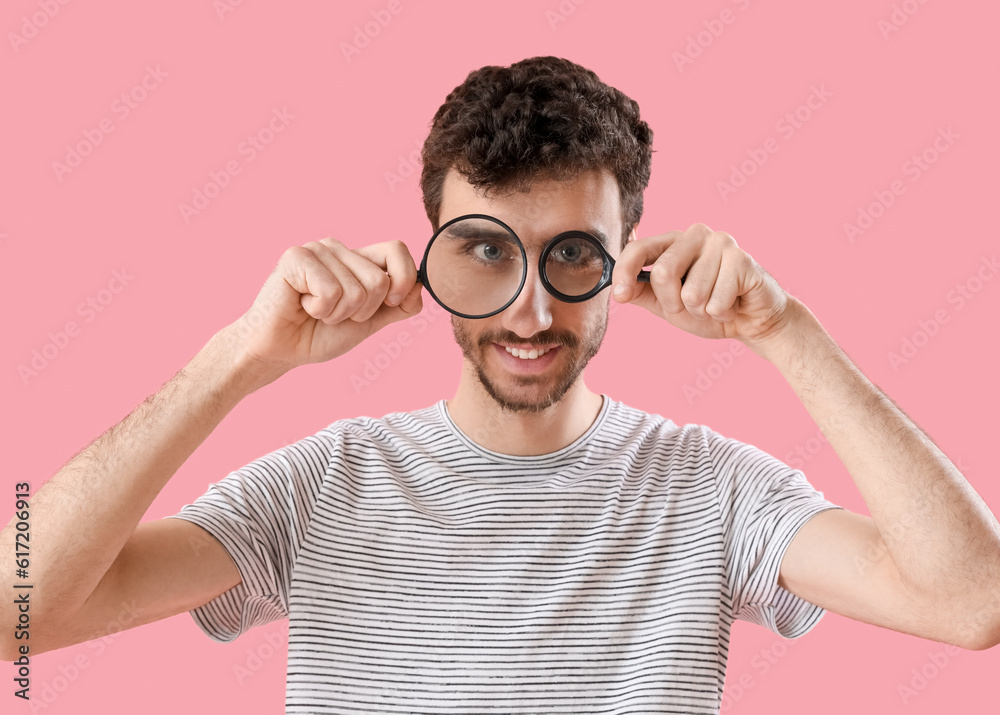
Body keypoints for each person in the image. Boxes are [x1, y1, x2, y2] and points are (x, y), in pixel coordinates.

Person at [3, 56, 998, 713]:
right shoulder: (320, 486)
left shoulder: (715, 491)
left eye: (571, 255)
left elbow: (975, 603)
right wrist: (238, 360)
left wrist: (783, 329)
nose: (528, 312)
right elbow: (16, 609)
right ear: (431, 248)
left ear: (627, 259)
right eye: (485, 252)